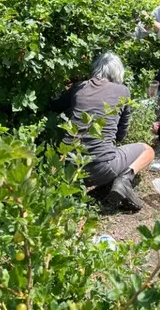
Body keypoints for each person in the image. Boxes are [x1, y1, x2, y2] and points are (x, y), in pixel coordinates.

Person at [50, 52, 154, 211]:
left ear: (95, 69)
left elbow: (55, 106)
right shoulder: (123, 91)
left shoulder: (79, 87)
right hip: (102, 168)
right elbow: (121, 136)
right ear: (119, 73)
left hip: (68, 168)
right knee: (148, 150)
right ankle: (124, 180)